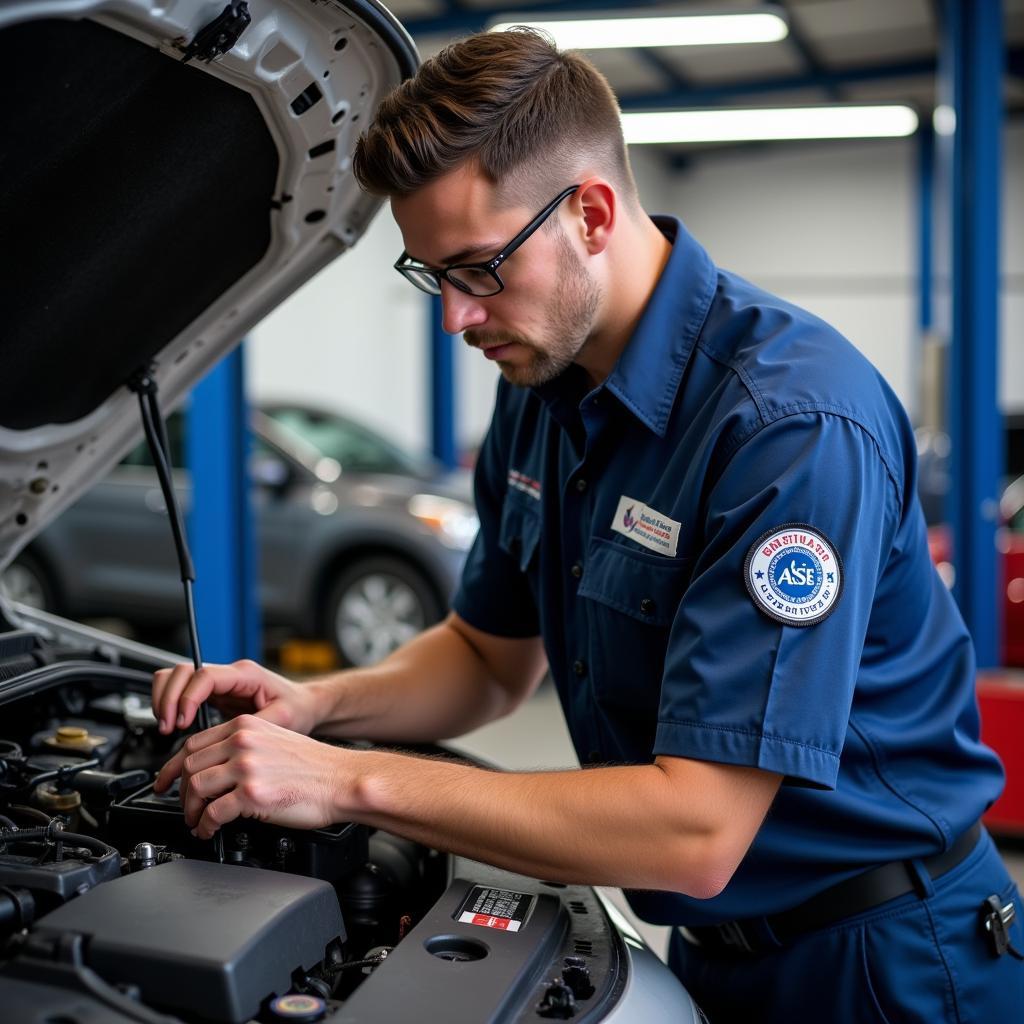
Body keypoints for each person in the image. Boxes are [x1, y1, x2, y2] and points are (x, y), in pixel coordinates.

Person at [151, 28, 1023, 1022]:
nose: (455, 318)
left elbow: (695, 831)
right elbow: (486, 658)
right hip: (713, 947)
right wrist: (317, 710)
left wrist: (349, 782)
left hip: (887, 963)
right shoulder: (540, 384)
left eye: (477, 268)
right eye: (430, 274)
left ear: (593, 213)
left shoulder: (786, 426)